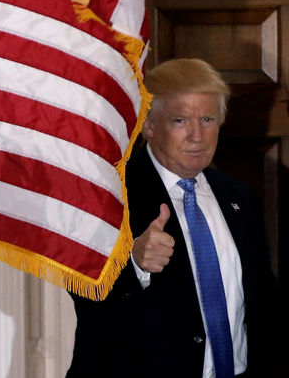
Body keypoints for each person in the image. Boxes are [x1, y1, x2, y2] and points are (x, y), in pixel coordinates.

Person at [67, 58, 278, 378]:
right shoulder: (107, 196)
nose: (197, 136)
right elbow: (86, 297)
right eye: (180, 120)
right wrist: (134, 264)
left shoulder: (239, 198)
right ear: (149, 125)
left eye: (207, 119)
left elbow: (264, 305)